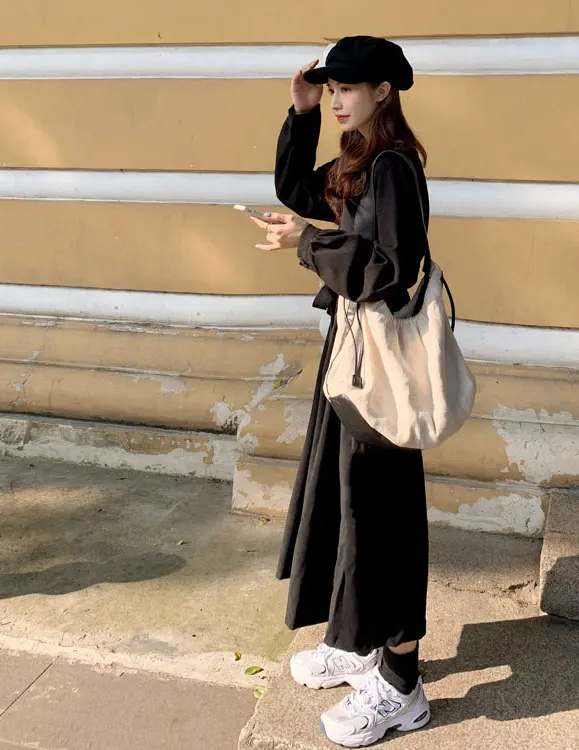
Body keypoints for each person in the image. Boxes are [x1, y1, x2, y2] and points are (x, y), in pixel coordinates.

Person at [249, 36, 431, 747]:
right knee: (346, 497)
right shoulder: (358, 159)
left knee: (383, 510)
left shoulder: (392, 167)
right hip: (353, 352)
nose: (336, 99)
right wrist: (299, 115)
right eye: (330, 89)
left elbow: (393, 269)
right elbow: (299, 192)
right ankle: (359, 643)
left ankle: (401, 683)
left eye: (346, 88)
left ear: (384, 91)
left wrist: (306, 244)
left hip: (382, 366)